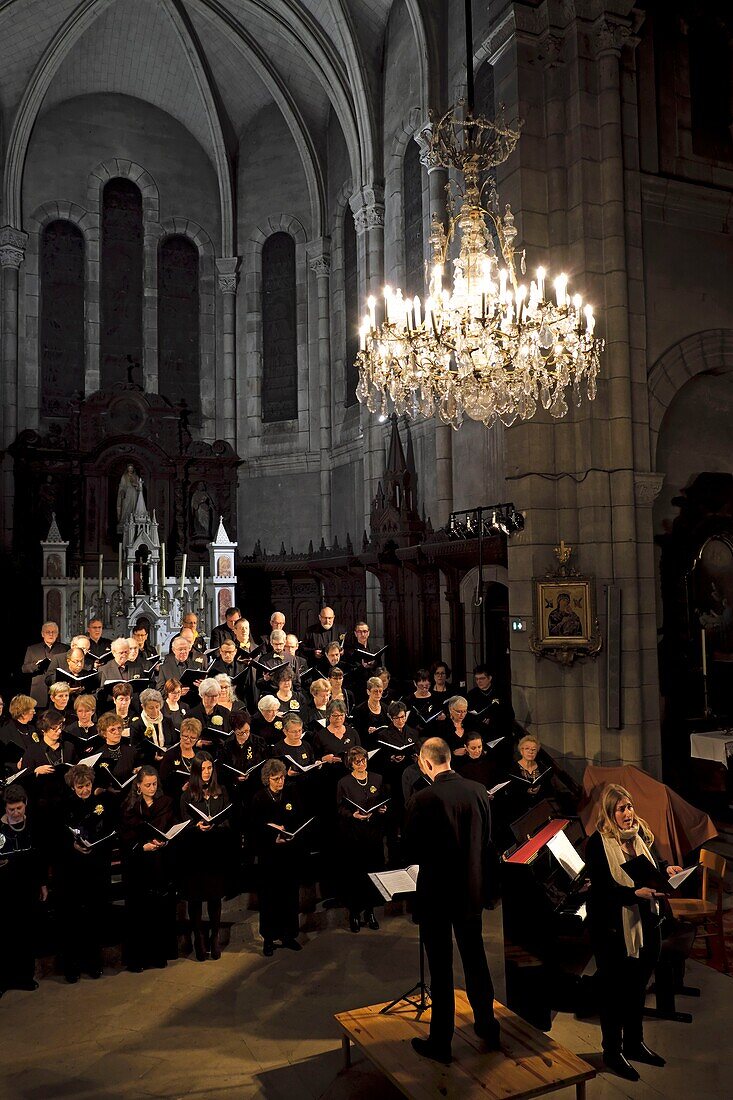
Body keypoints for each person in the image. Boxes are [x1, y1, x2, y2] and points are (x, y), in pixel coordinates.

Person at [403, 736, 499, 1065]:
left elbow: (412, 851)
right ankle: (487, 1026)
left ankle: (441, 1043)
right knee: (476, 960)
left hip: (436, 897)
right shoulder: (478, 791)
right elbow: (487, 841)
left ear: (425, 763)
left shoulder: (422, 798)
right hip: (471, 891)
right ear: (449, 759)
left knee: (441, 971)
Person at [585, 785, 679, 1081]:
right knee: (614, 993)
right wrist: (633, 893)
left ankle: (634, 1044)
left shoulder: (640, 835)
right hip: (613, 929)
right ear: (609, 814)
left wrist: (667, 871)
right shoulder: (597, 844)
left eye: (630, 807)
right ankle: (612, 1052)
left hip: (647, 924)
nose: (628, 814)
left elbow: (652, 868)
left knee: (638, 988)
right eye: (621, 809)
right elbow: (600, 892)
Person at [57, 764, 114, 982]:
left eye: (88, 785)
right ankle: (71, 967)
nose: (84, 790)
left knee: (94, 917)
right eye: (80, 786)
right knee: (72, 920)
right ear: (73, 787)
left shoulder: (101, 803)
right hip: (72, 870)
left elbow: (109, 830)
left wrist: (97, 845)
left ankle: (93, 963)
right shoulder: (64, 806)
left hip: (95, 867)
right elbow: (57, 835)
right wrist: (72, 846)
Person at [119, 766, 178, 972]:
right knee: (139, 913)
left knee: (158, 911)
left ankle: (158, 955)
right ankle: (138, 959)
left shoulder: (166, 803)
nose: (152, 788)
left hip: (159, 864)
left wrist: (165, 841)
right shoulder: (128, 807)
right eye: (147, 785)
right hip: (138, 865)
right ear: (138, 786)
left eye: (154, 784)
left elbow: (172, 828)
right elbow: (125, 836)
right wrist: (141, 846)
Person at [250, 759, 307, 956]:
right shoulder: (259, 798)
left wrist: (289, 833)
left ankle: (289, 935)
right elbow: (255, 828)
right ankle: (268, 938)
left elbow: (299, 817)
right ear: (267, 780)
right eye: (275, 779)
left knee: (290, 896)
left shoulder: (291, 793)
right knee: (269, 898)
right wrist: (273, 837)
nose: (280, 782)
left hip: (289, 854)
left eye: (282, 777)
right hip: (269, 856)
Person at [179, 753, 232, 961]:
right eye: (203, 769)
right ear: (195, 772)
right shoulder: (187, 796)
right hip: (195, 853)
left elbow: (228, 819)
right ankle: (198, 938)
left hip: (215, 851)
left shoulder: (221, 791)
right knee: (195, 899)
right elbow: (183, 824)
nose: (207, 772)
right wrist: (196, 826)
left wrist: (216, 824)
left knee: (214, 897)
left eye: (210, 768)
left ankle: (214, 937)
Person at [0, 784, 47, 997]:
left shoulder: (33, 826)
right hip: (6, 888)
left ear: (25, 804)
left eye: (19, 808)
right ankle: (5, 979)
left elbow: (39, 857)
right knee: (6, 933)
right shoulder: (0, 829)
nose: (16, 813)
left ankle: (25, 977)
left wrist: (42, 883)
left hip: (28, 886)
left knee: (26, 932)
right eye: (12, 810)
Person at [336, 746, 388, 933]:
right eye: (357, 761)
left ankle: (370, 912)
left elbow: (382, 800)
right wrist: (353, 815)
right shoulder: (344, 783)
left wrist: (382, 809)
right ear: (350, 763)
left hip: (373, 834)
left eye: (364, 760)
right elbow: (340, 808)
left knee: (372, 874)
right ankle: (355, 913)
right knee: (356, 875)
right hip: (354, 835)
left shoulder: (377, 778)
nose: (361, 764)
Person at [21, 621, 66, 708]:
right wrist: (36, 665)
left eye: (53, 632)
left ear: (57, 634)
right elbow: (24, 668)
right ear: (42, 634)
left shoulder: (64, 648)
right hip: (39, 691)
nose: (51, 634)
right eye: (48, 632)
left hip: (58, 691)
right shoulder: (32, 649)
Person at [159, 717, 202, 800]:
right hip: (176, 798)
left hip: (197, 798)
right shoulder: (170, 755)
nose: (188, 740)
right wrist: (181, 789)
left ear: (197, 739)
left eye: (192, 738)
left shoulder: (199, 754)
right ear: (180, 735)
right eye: (185, 736)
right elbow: (163, 782)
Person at [129, 689, 174, 764]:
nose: (155, 711)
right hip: (148, 764)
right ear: (143, 707)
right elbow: (136, 751)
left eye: (157, 707)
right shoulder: (136, 726)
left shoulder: (167, 721)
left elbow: (173, 743)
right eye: (151, 708)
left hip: (167, 761)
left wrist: (165, 750)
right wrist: (152, 756)